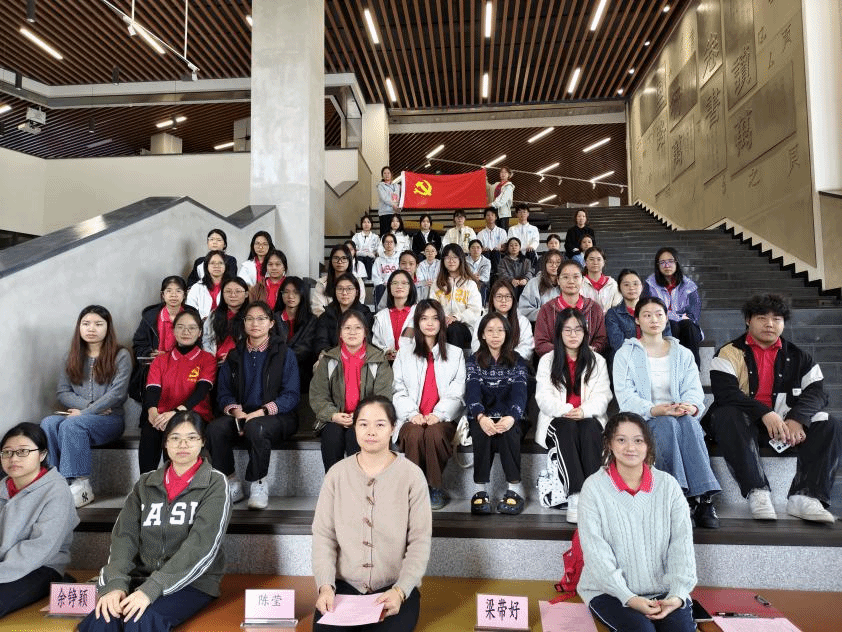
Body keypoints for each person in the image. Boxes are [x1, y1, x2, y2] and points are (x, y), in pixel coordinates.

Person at [78, 412, 231, 632]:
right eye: (175, 438)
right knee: (104, 618)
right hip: (140, 577)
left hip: (192, 582)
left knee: (140, 620)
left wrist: (153, 588)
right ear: (165, 442)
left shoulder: (215, 483)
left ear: (202, 442)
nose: (183, 445)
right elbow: (125, 538)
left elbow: (201, 546)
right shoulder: (145, 483)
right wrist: (116, 583)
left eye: (191, 437)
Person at [706, 294, 841, 523]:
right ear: (748, 320)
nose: (770, 324)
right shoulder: (728, 352)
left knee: (828, 422)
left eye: (776, 319)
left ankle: (806, 497)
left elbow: (818, 392)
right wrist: (764, 413)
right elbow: (725, 393)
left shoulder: (799, 356)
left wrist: (798, 418)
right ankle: (757, 492)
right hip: (741, 427)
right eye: (762, 318)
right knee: (728, 412)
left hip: (785, 426)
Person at [311, 396, 431, 632]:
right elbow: (324, 536)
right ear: (355, 427)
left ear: (393, 428)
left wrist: (401, 590)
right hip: (343, 588)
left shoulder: (412, 475)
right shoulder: (336, 474)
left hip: (393, 588)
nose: (371, 432)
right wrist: (325, 586)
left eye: (380, 424)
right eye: (363, 424)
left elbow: (420, 541)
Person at [577, 412, 697, 632]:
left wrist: (678, 595)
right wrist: (629, 597)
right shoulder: (593, 488)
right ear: (609, 444)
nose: (630, 447)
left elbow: (682, 545)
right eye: (621, 440)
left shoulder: (668, 486)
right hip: (609, 592)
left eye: (638, 440)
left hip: (664, 592)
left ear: (648, 445)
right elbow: (596, 553)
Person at [613, 297, 721, 528]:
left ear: (666, 318)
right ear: (637, 320)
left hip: (679, 416)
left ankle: (704, 498)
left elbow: (693, 389)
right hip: (642, 418)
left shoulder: (682, 353)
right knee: (666, 424)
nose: (654, 319)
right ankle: (677, 496)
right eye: (647, 315)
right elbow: (625, 396)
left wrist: (690, 406)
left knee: (690, 422)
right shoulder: (626, 354)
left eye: (659, 314)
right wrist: (653, 409)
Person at [206, 302, 300, 510]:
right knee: (215, 429)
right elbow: (223, 392)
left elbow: (291, 395)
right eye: (249, 319)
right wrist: (236, 411)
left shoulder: (285, 353)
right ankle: (231, 481)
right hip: (243, 413)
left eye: (261, 319)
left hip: (277, 415)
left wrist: (261, 412)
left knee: (256, 427)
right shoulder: (234, 355)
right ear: (244, 323)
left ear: (271, 323)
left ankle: (258, 482)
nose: (255, 323)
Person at [41, 305, 131, 508]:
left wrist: (84, 412)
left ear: (108, 328)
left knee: (71, 425)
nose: (91, 328)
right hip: (80, 415)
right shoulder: (71, 356)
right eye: (86, 323)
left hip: (110, 420)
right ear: (79, 327)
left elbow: (117, 394)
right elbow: (63, 392)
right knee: (48, 423)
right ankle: (56, 481)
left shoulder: (121, 355)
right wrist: (88, 408)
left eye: (98, 324)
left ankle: (81, 485)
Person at [534, 308, 611, 522]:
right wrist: (567, 410)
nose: (573, 334)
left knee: (589, 428)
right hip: (557, 420)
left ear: (585, 332)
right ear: (559, 332)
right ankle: (576, 495)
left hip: (589, 418)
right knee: (566, 427)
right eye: (567, 330)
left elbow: (604, 395)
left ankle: (594, 495)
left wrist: (584, 411)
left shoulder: (597, 360)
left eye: (578, 329)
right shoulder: (548, 360)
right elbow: (543, 397)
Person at [393, 300, 465, 510]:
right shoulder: (404, 353)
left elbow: (457, 391)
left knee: (434, 434)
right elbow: (397, 389)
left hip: (443, 418)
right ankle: (416, 488)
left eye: (435, 318)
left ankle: (434, 487)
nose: (430, 323)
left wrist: (439, 414)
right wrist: (411, 413)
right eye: (424, 318)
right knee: (415, 434)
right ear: (417, 322)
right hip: (411, 416)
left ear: (442, 322)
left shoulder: (455, 353)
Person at [0, 423, 78, 618]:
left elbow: (40, 548)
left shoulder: (56, 491)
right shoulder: (3, 487)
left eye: (23, 451)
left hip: (40, 566)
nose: (13, 458)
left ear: (42, 455)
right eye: (7, 452)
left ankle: (58, 581)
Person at [310, 310, 393, 472]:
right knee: (332, 435)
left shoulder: (378, 359)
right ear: (340, 333)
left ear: (365, 332)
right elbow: (318, 394)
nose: (352, 332)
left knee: (355, 435)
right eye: (347, 328)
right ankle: (334, 483)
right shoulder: (329, 359)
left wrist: (361, 416)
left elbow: (382, 397)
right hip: (335, 417)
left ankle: (360, 484)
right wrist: (333, 415)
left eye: (358, 328)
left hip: (367, 419)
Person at [465, 313, 530, 515]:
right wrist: (481, 417)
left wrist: (511, 417)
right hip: (483, 416)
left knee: (509, 433)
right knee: (481, 431)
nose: (495, 335)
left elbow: (520, 393)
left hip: (511, 416)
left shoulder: (518, 360)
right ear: (482, 335)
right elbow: (472, 391)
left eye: (500, 330)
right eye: (490, 331)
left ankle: (514, 489)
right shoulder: (473, 361)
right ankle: (480, 490)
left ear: (507, 334)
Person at [140, 310, 216, 473]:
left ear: (200, 332)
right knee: (149, 430)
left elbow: (201, 391)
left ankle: (175, 481)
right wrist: (152, 413)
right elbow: (152, 390)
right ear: (173, 331)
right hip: (164, 414)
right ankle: (146, 481)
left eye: (192, 328)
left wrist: (175, 412)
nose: (186, 332)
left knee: (177, 427)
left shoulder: (207, 359)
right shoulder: (160, 360)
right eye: (180, 327)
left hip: (196, 414)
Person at [129, 276, 187, 402]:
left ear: (184, 295)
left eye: (178, 291)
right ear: (163, 295)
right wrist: (149, 353)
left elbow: (197, 344)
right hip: (154, 368)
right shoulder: (150, 317)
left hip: (181, 368)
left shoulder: (191, 316)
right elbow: (138, 343)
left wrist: (173, 356)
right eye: (169, 291)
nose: (173, 295)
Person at [644, 247, 703, 367]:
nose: (667, 265)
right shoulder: (650, 285)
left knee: (688, 325)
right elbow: (648, 309)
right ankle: (672, 369)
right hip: (660, 326)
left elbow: (694, 312)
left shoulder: (689, 285)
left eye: (670, 261)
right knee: (672, 325)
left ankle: (693, 369)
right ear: (657, 265)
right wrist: (676, 317)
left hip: (687, 327)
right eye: (662, 262)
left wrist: (676, 316)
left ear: (677, 262)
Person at [534, 261, 608, 356]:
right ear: (558, 280)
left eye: (576, 277)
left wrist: (586, 351)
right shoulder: (546, 310)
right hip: (556, 361)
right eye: (565, 277)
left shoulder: (594, 308)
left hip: (588, 360)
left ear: (582, 280)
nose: (571, 281)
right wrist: (567, 353)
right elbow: (540, 344)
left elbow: (602, 340)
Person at [433, 244, 483, 350]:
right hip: (441, 322)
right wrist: (444, 318)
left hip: (465, 325)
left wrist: (456, 317)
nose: (451, 261)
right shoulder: (437, 283)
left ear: (461, 259)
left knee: (453, 328)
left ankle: (454, 360)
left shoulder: (470, 284)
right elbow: (433, 306)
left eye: (455, 257)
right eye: (447, 257)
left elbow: (475, 310)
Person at [314, 273, 374, 357]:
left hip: (359, 358)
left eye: (349, 289)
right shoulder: (326, 315)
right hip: (332, 358)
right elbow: (321, 343)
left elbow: (368, 342)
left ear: (356, 292)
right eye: (340, 289)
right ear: (335, 291)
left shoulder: (365, 314)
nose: (344, 293)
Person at [473, 278, 534, 362]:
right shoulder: (482, 320)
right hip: (487, 362)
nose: (503, 300)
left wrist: (508, 358)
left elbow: (527, 347)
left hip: (513, 363)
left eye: (507, 296)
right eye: (499, 296)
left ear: (513, 299)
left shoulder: (522, 321)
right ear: (492, 299)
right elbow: (476, 344)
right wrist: (493, 358)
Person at [277, 276, 317, 391]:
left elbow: (305, 348)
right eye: (286, 292)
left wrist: (284, 358)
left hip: (302, 369)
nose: (290, 296)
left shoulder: (311, 320)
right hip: (277, 369)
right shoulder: (274, 318)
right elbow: (273, 344)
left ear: (302, 294)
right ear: (281, 294)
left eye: (296, 292)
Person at [202, 276, 249, 363]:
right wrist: (211, 358)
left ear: (246, 294)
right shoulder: (214, 315)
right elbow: (206, 340)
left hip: (241, 361)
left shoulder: (251, 316)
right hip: (215, 362)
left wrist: (233, 356)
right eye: (228, 291)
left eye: (238, 291)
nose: (233, 295)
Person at [372, 269, 417, 361]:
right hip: (387, 364)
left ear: (410, 287)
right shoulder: (381, 316)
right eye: (395, 283)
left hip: (414, 362)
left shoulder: (419, 313)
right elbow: (376, 343)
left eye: (404, 283)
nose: (399, 286)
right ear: (389, 287)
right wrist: (386, 352)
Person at [312, 244, 366, 318]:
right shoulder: (322, 283)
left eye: (344, 258)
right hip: (327, 322)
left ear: (349, 260)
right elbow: (317, 309)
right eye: (336, 258)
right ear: (331, 260)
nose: (340, 262)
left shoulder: (358, 282)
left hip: (352, 321)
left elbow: (359, 306)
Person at [605, 269, 644, 358]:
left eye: (635, 284)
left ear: (642, 286)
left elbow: (666, 338)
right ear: (619, 288)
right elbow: (618, 345)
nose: (631, 288)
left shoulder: (654, 311)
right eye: (626, 284)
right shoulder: (613, 314)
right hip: (624, 360)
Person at [518, 249, 563, 323]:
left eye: (558, 262)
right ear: (545, 264)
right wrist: (545, 313)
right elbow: (524, 309)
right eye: (550, 262)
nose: (554, 265)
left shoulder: (567, 283)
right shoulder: (534, 283)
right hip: (539, 324)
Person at [186, 251, 228, 319]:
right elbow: (190, 310)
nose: (216, 266)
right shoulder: (197, 287)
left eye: (220, 263)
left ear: (225, 266)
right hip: (201, 323)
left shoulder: (232, 285)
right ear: (206, 266)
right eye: (212, 263)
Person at [580, 246, 621, 312]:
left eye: (599, 259)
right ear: (585, 262)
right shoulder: (579, 284)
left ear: (604, 262)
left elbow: (617, 309)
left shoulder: (612, 284)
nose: (595, 262)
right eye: (591, 259)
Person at [372, 234, 401, 308]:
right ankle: (380, 311)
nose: (389, 244)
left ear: (395, 244)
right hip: (383, 286)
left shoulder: (399, 259)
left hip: (396, 285)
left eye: (391, 242)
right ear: (383, 244)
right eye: (386, 242)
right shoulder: (378, 260)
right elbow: (376, 277)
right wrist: (384, 284)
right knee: (379, 287)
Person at [507, 203, 539, 270]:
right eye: (520, 212)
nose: (522, 214)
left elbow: (535, 240)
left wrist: (531, 247)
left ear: (528, 214)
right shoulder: (512, 229)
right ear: (516, 214)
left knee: (531, 253)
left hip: (529, 253)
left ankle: (531, 273)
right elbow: (511, 242)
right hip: (517, 253)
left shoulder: (534, 228)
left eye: (524, 212)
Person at [353, 214, 379, 279]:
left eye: (368, 222)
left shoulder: (375, 237)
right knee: (360, 260)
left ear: (371, 224)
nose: (366, 224)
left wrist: (371, 254)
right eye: (364, 222)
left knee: (368, 260)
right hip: (359, 257)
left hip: (370, 258)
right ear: (361, 224)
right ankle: (360, 278)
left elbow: (377, 250)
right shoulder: (356, 236)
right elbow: (354, 248)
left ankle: (369, 278)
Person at [377, 166, 401, 236]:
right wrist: (393, 205)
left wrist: (398, 207)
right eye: (384, 173)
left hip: (395, 213)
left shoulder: (397, 186)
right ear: (382, 175)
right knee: (385, 234)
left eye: (388, 173)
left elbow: (398, 197)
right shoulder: (380, 186)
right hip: (385, 213)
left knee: (396, 234)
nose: (387, 175)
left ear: (391, 174)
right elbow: (384, 198)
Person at [466, 239, 491, 304]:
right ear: (469, 249)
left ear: (481, 249)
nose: (475, 250)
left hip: (481, 282)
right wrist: (471, 277)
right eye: (473, 248)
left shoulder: (486, 262)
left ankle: (482, 306)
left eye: (478, 247)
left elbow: (486, 277)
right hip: (467, 281)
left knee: (481, 286)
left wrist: (479, 278)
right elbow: (462, 273)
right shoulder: (464, 261)